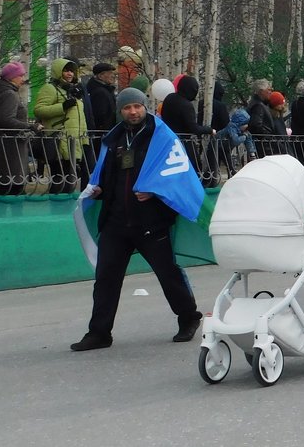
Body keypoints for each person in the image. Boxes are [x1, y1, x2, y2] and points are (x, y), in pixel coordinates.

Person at [70, 87, 205, 351]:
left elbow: (177, 173)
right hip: (116, 221)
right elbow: (109, 174)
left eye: (137, 106)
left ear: (146, 106)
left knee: (168, 274)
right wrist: (99, 190)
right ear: (120, 111)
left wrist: (155, 191)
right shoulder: (114, 138)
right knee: (106, 277)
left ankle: (189, 318)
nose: (133, 112)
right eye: (127, 107)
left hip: (151, 220)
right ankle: (99, 333)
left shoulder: (162, 137)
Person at [0, 62, 41, 196]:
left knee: (6, 183)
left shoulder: (0, 91)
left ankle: (1, 214)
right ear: (11, 77)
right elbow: (7, 119)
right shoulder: (9, 94)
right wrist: (30, 126)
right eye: (20, 76)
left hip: (3, 142)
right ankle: (13, 215)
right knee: (14, 184)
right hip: (11, 145)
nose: (23, 79)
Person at [34, 58, 88, 193]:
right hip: (59, 139)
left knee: (70, 180)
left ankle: (64, 210)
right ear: (58, 71)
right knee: (59, 178)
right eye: (66, 71)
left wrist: (85, 138)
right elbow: (39, 110)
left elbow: (80, 118)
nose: (70, 74)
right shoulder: (50, 88)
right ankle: (54, 210)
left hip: (74, 140)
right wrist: (62, 106)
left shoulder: (73, 90)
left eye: (72, 71)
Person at [160, 75, 216, 180]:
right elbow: (193, 128)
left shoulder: (169, 98)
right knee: (194, 168)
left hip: (167, 141)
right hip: (183, 143)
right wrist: (209, 130)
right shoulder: (186, 105)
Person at [87, 62, 119, 134]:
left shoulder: (106, 90)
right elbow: (100, 116)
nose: (113, 76)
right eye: (110, 73)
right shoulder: (100, 92)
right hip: (103, 133)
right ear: (100, 76)